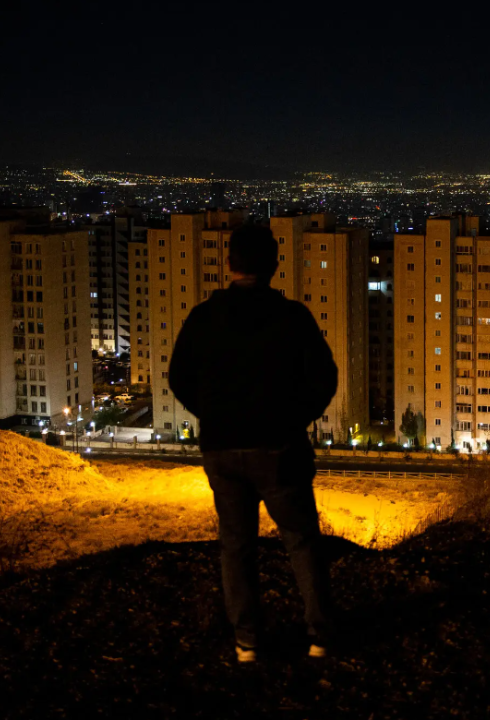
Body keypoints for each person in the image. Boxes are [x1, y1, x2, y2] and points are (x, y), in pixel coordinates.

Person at [169, 223, 338, 663]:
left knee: (236, 545)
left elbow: (178, 377)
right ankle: (320, 638)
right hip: (278, 446)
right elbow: (325, 377)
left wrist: (214, 413)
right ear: (274, 265)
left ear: (229, 264)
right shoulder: (292, 317)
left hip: (222, 446)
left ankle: (247, 643)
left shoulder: (204, 317)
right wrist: (294, 417)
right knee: (301, 540)